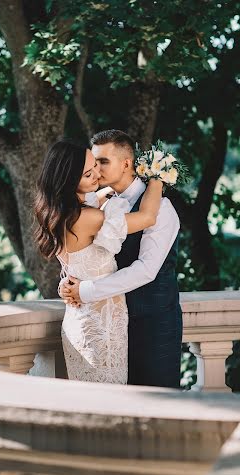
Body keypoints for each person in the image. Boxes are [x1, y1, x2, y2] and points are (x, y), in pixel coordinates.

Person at [59, 129, 182, 475]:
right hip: (113, 325)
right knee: (123, 415)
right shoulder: (98, 204)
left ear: (128, 163)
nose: (94, 168)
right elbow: (80, 246)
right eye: (91, 162)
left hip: (154, 322)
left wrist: (86, 291)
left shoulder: (160, 209)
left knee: (156, 414)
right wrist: (69, 279)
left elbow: (145, 270)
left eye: (103, 162)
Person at [34, 139, 163, 384]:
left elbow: (101, 196)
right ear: (69, 179)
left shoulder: (58, 212)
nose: (97, 175)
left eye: (96, 165)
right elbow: (147, 217)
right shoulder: (89, 218)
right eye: (87, 173)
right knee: (109, 397)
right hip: (100, 324)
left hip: (79, 316)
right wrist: (158, 176)